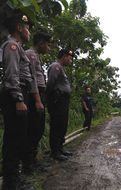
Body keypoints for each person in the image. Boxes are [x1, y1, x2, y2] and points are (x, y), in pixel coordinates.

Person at [0, 14, 36, 189]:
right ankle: (10, 181)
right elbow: (12, 75)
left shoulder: (19, 48)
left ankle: (14, 176)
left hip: (20, 93)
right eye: (27, 27)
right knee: (13, 137)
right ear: (19, 28)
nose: (29, 31)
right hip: (15, 94)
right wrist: (18, 98)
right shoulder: (12, 46)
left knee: (19, 136)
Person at [25, 32, 51, 172]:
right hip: (35, 95)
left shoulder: (35, 56)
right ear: (40, 42)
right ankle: (29, 164)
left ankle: (32, 161)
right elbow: (32, 79)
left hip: (39, 94)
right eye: (47, 44)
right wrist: (37, 100)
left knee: (38, 129)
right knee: (34, 129)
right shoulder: (31, 54)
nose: (48, 47)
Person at [46, 49, 74, 161]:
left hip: (63, 100)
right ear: (63, 56)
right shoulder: (55, 66)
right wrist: (50, 99)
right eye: (69, 57)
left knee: (62, 124)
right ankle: (55, 152)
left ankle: (60, 148)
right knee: (57, 125)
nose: (70, 60)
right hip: (57, 100)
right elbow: (51, 83)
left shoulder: (61, 68)